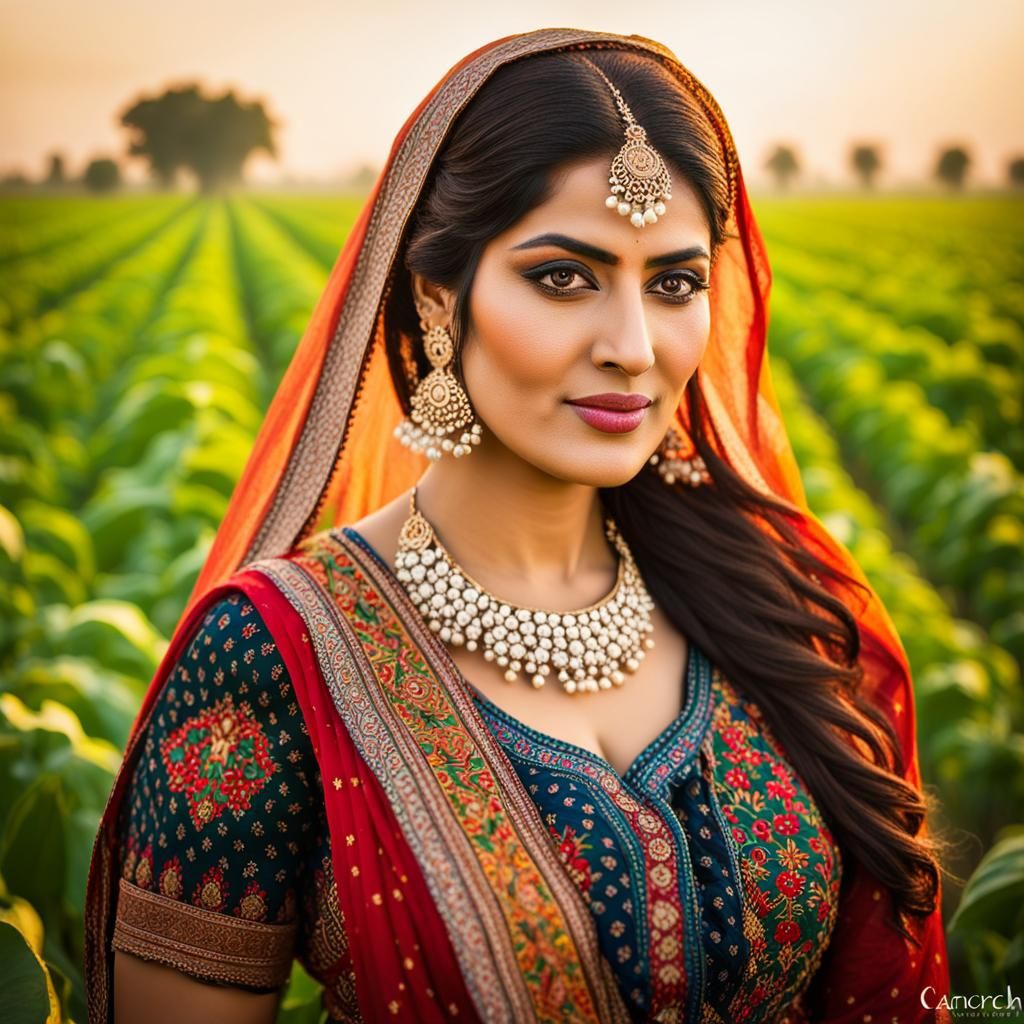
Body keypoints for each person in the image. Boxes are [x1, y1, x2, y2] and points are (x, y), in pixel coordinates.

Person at [85, 27, 954, 1024]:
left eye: (673, 284)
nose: (632, 347)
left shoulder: (779, 603)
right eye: (563, 277)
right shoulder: (273, 653)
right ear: (438, 294)